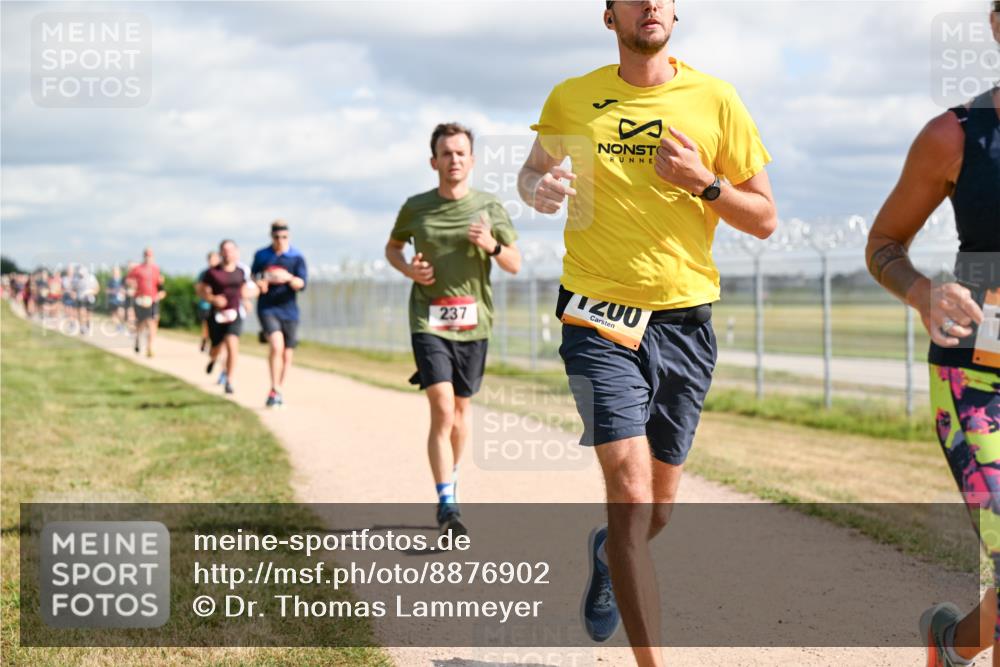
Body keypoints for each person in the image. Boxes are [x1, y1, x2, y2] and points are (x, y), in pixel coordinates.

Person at [518, 0, 776, 661]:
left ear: (675, 13)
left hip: (684, 325)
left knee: (655, 512)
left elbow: (764, 218)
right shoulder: (572, 97)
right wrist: (537, 188)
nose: (651, 2)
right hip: (596, 316)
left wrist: (705, 184)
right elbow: (531, 171)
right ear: (610, 17)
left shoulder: (717, 100)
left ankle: (609, 554)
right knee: (631, 494)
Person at [867, 7, 999, 665]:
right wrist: (922, 292)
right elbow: (884, 243)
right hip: (978, 374)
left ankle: (950, 645)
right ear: (998, 26)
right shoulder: (954, 135)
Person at [386, 122, 521, 536]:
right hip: (428, 318)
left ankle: (452, 474)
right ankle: (447, 503)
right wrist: (408, 269)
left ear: (472, 160)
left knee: (461, 413)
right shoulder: (416, 207)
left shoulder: (489, 207)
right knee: (443, 407)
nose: (454, 160)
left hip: (473, 323)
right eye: (446, 153)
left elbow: (515, 263)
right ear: (434, 162)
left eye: (461, 153)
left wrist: (491, 245)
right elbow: (393, 248)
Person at [251, 220, 308, 408]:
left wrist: (287, 278)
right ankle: (274, 386)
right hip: (267, 307)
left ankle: (278, 390)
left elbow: (302, 284)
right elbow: (254, 276)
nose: (280, 240)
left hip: (289, 310)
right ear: (271, 236)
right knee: (276, 346)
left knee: (287, 354)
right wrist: (261, 282)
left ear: (288, 236)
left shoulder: (296, 257)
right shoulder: (262, 255)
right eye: (277, 237)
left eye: (284, 237)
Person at [199, 240, 257, 395]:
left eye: (231, 250)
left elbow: (249, 289)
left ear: (236, 252)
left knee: (232, 344)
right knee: (216, 348)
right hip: (216, 315)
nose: (228, 253)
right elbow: (201, 291)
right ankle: (213, 359)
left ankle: (229, 380)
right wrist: (213, 299)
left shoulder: (241, 271)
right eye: (224, 250)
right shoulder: (212, 272)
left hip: (235, 314)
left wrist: (247, 299)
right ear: (220, 253)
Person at [126, 248, 166, 357]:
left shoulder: (156, 269)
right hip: (140, 299)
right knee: (141, 323)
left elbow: (160, 285)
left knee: (152, 322)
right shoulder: (137, 269)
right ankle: (138, 339)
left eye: (150, 256)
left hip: (152, 300)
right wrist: (132, 286)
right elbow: (128, 280)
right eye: (147, 256)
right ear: (144, 257)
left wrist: (160, 293)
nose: (148, 258)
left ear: (153, 257)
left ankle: (150, 347)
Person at [197, 251, 221, 352]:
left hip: (219, 305)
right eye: (211, 259)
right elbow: (198, 289)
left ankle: (214, 345)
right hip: (206, 305)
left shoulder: (222, 273)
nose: (212, 261)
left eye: (214, 259)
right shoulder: (204, 273)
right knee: (207, 325)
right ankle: (205, 339)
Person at [72, 266, 99, 334]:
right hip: (80, 298)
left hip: (90, 299)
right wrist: (74, 294)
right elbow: (74, 289)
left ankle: (88, 325)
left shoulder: (91, 278)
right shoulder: (76, 279)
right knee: (81, 312)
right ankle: (82, 327)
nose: (81, 275)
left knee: (89, 314)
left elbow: (97, 289)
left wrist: (90, 292)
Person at [106, 266, 127, 331]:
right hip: (112, 300)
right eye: (114, 272)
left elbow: (126, 289)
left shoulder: (123, 281)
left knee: (121, 313)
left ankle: (122, 325)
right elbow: (107, 290)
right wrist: (113, 291)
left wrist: (124, 291)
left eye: (116, 272)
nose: (115, 274)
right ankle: (119, 326)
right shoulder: (110, 281)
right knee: (113, 316)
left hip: (121, 300)